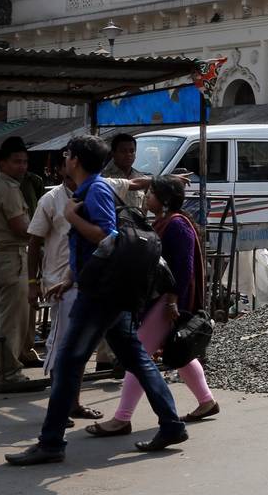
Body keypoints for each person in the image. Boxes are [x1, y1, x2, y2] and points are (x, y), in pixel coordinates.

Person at [5, 134, 187, 465]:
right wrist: (69, 279)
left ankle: (50, 442)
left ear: (75, 160)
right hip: (101, 289)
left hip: (101, 294)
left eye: (68, 153)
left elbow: (108, 237)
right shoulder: (87, 190)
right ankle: (172, 424)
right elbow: (91, 251)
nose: (65, 158)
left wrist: (73, 218)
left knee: (69, 363)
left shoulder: (95, 190)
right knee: (135, 357)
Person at [88, 177, 218, 435]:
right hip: (162, 298)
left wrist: (172, 301)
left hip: (167, 300)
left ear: (165, 199)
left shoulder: (177, 225)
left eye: (152, 194)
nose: (147, 198)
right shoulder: (165, 222)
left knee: (138, 356)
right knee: (178, 352)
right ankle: (206, 401)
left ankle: (122, 418)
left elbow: (184, 269)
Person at [25, 166, 148, 425]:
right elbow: (34, 242)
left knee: (80, 350)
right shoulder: (51, 200)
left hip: (91, 282)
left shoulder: (97, 190)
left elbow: (106, 234)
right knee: (62, 348)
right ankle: (59, 412)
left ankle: (71, 406)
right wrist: (33, 282)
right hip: (62, 282)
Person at [0, 137, 35, 386]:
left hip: (0, 258)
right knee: (12, 321)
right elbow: (22, 228)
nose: (21, 167)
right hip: (12, 257)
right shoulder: (8, 189)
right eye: (16, 162)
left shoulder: (0, 186)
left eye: (24, 162)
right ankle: (10, 373)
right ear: (2, 163)